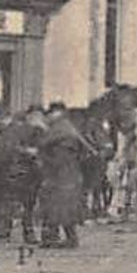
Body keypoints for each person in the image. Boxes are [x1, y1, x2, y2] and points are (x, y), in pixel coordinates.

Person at [37, 102, 92, 248]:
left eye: (50, 114)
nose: (47, 117)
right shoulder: (66, 129)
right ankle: (60, 237)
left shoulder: (61, 133)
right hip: (67, 175)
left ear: (56, 114)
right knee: (62, 208)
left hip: (62, 175)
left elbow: (59, 157)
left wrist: (43, 159)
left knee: (58, 207)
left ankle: (59, 238)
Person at [0, 107, 45, 243]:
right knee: (25, 204)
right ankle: (24, 231)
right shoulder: (27, 130)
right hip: (24, 171)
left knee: (20, 203)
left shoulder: (13, 131)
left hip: (19, 171)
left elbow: (8, 151)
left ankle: (9, 229)